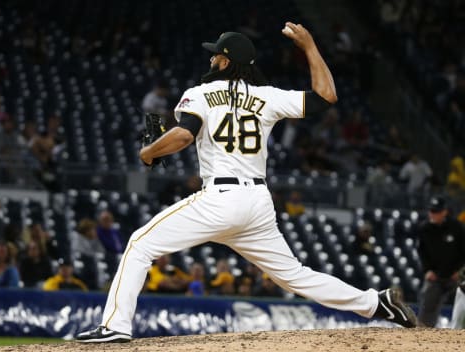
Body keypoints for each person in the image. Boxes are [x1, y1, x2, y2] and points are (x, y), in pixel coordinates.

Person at [77, 23, 417, 343]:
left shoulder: (200, 93)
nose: (211, 58)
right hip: (257, 203)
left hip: (220, 198)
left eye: (216, 54)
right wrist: (310, 47)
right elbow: (325, 96)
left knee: (139, 244)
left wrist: (148, 153)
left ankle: (114, 326)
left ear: (226, 60)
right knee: (294, 275)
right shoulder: (266, 96)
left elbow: (182, 135)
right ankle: (376, 303)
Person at [416, 195, 465, 327]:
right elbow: (421, 252)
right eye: (431, 211)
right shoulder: (424, 229)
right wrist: (427, 270)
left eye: (436, 211)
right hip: (435, 275)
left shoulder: (456, 227)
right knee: (427, 299)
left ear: (444, 212)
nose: (432, 214)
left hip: (455, 275)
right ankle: (422, 335)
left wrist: (459, 271)